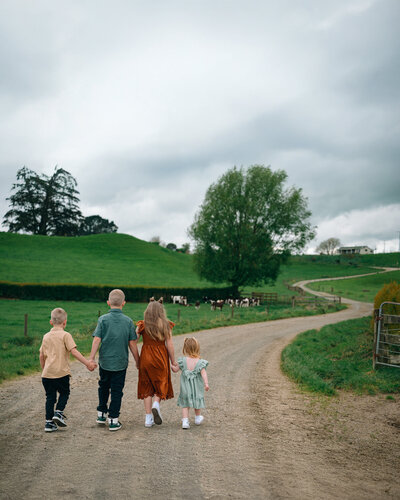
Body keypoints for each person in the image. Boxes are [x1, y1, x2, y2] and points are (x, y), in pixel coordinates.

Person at [89, 289, 139, 431]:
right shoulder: (128, 321)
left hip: (105, 362)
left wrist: (91, 358)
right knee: (117, 391)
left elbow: (97, 339)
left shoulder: (102, 319)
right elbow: (132, 344)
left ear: (108, 303)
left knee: (103, 387)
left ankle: (101, 414)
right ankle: (113, 420)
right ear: (124, 303)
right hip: (120, 363)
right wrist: (138, 360)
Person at [39, 307, 97, 433]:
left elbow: (41, 355)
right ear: (65, 322)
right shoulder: (66, 335)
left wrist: (44, 370)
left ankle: (49, 423)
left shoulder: (46, 336)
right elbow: (74, 351)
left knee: (50, 397)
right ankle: (58, 412)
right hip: (61, 373)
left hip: (47, 374)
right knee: (64, 393)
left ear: (51, 322)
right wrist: (87, 363)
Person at [136, 298, 178, 427]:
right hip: (160, 356)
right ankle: (156, 403)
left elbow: (132, 340)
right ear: (161, 311)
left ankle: (148, 418)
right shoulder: (166, 325)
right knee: (162, 380)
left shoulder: (142, 325)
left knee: (146, 385)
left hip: (145, 357)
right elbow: (169, 344)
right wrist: (173, 362)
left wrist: (137, 359)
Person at [172, 337, 209, 429]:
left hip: (185, 387)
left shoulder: (182, 361)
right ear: (197, 348)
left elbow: (175, 370)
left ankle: (185, 421)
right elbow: (204, 373)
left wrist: (172, 366)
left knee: (185, 404)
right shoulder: (200, 362)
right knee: (197, 401)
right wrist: (206, 383)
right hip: (197, 388)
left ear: (185, 349)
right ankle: (197, 418)